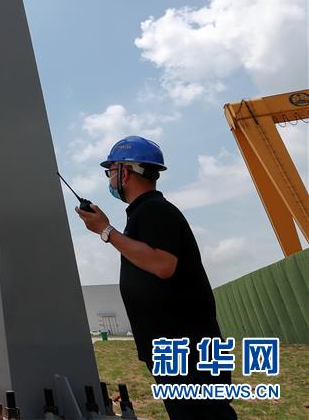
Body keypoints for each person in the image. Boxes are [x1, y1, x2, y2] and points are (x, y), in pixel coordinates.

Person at [74, 136, 237, 420]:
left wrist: (106, 231)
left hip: (187, 351)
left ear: (125, 172)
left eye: (110, 171)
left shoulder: (154, 210)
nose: (110, 178)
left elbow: (162, 264)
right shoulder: (144, 212)